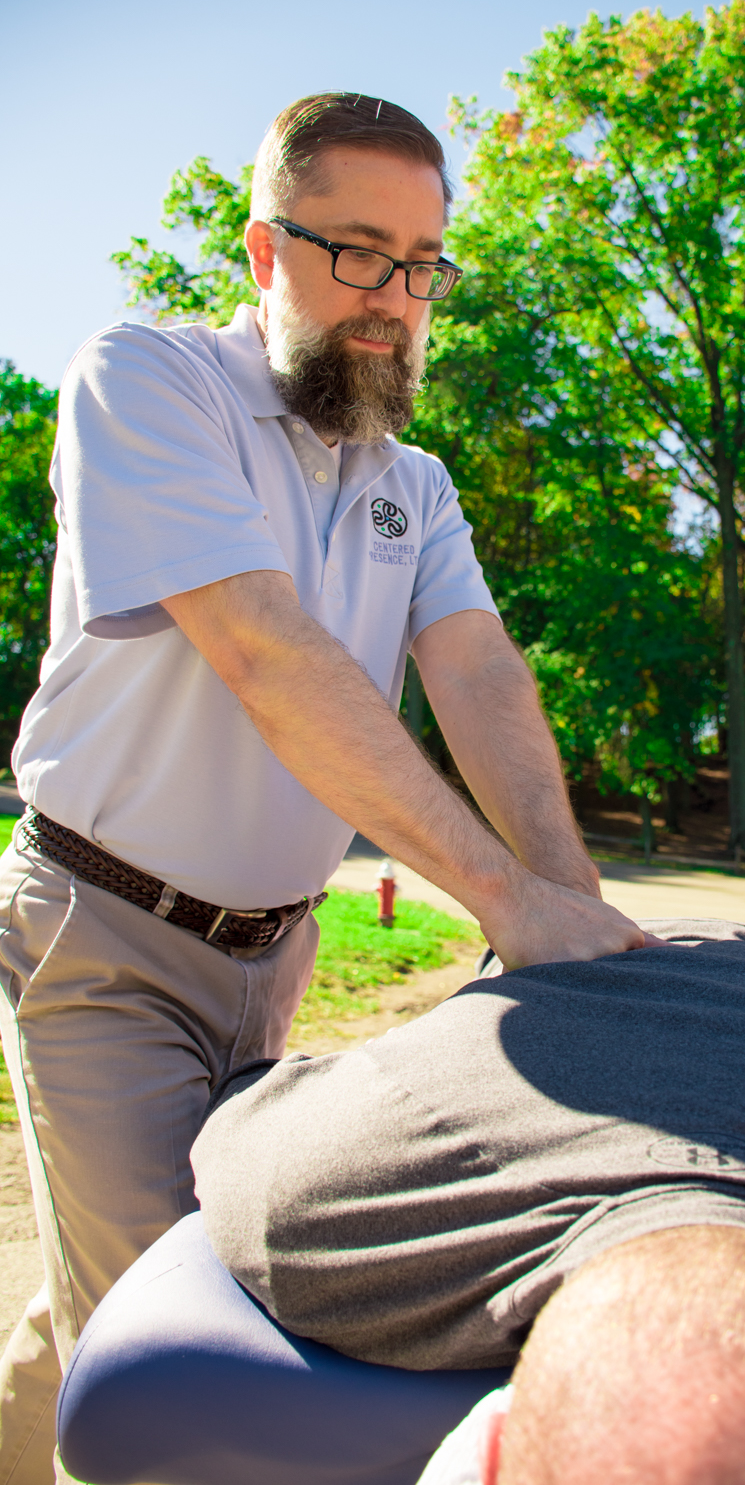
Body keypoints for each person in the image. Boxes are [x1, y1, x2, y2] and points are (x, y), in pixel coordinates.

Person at [0, 92, 653, 1484]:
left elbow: (477, 677)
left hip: (274, 956)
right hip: (101, 936)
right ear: (262, 250)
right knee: (171, 1361)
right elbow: (264, 646)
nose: (395, 301)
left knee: (96, 1309)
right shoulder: (148, 380)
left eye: (423, 263)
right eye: (359, 251)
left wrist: (572, 913)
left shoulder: (411, 478)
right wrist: (495, 895)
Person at [191, 917, 745, 1483]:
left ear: (493, 1453)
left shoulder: (315, 1204)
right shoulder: (309, 1207)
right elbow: (258, 1094)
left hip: (680, 949)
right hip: (709, 946)